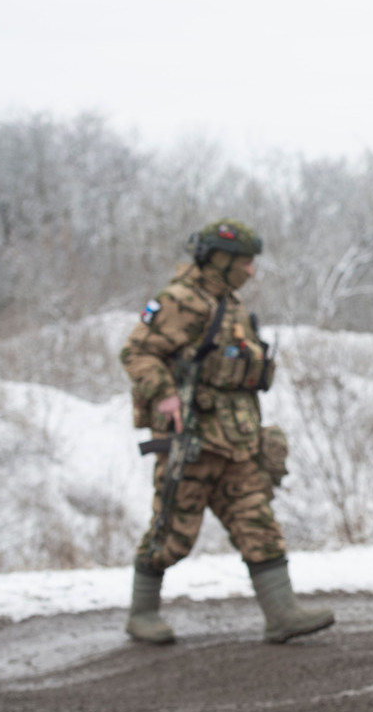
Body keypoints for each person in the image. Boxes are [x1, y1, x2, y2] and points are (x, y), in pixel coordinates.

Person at [120, 218, 335, 645]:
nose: (250, 270)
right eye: (244, 262)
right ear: (219, 259)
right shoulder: (180, 300)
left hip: (237, 444)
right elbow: (137, 352)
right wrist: (164, 395)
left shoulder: (230, 305)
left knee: (259, 525)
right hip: (194, 444)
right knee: (171, 534)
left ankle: (282, 614)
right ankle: (141, 614)